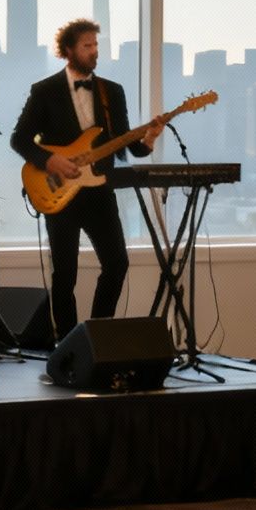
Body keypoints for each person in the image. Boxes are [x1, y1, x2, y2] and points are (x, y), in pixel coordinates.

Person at [9, 18, 159, 340]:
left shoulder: (112, 92)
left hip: (99, 192)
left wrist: (147, 140)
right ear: (68, 51)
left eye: (96, 46)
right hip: (59, 192)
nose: (94, 52)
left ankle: (97, 336)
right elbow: (19, 139)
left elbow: (125, 144)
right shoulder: (45, 91)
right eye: (87, 46)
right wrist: (50, 160)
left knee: (117, 264)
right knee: (65, 275)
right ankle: (66, 346)